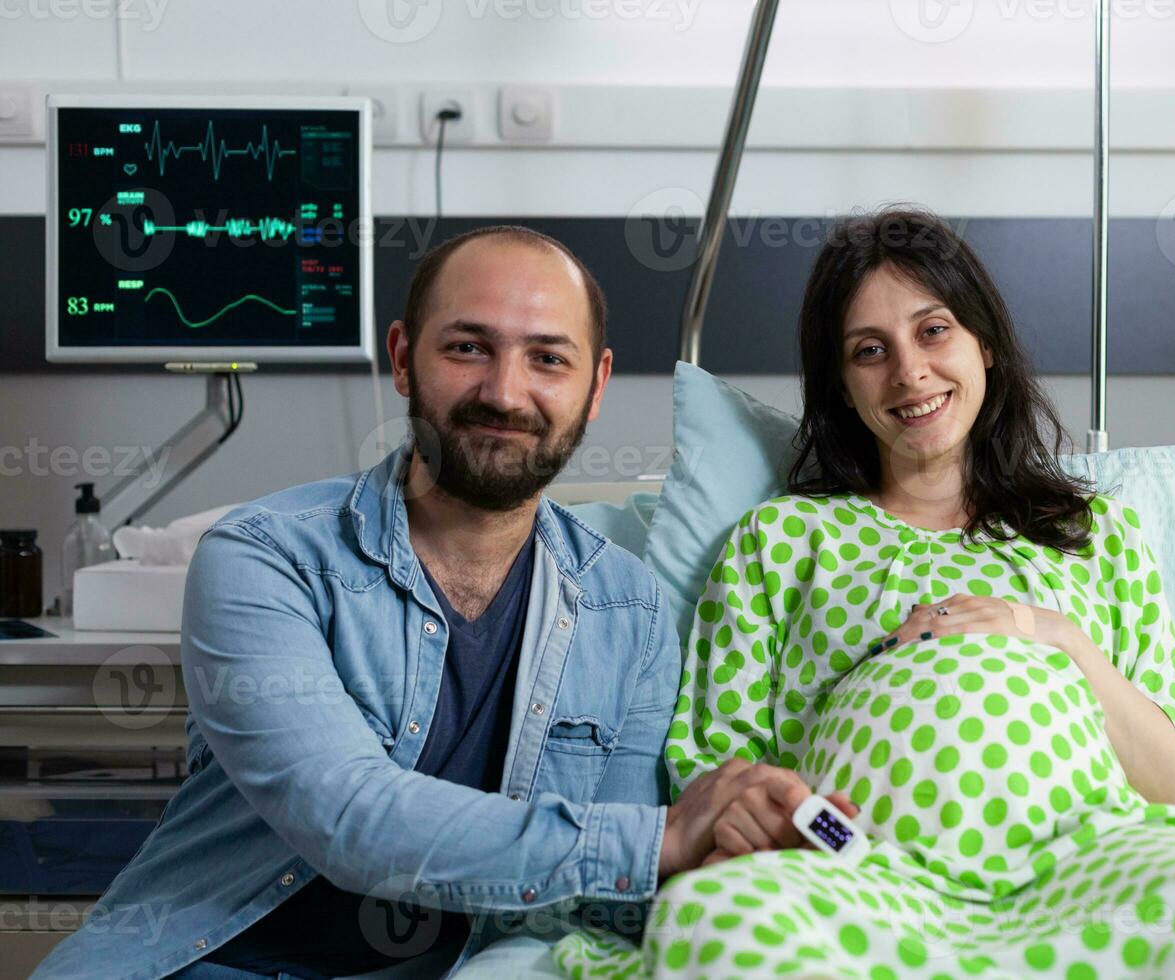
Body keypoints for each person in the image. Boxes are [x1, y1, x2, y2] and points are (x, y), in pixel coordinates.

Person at [554, 209, 1175, 978]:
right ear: (841, 385)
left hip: (1090, 853)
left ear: (986, 346)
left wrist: (1053, 635)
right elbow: (720, 770)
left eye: (934, 331)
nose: (910, 372)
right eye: (870, 350)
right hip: (853, 864)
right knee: (713, 926)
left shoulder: (1095, 533)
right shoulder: (783, 540)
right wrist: (804, 831)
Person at [34, 226, 819, 980]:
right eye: (468, 347)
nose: (505, 392)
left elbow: (597, 903)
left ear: (596, 387)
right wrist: (665, 838)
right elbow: (350, 818)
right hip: (206, 961)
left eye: (548, 358)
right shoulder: (266, 558)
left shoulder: (632, 614)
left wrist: (755, 858)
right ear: (406, 358)